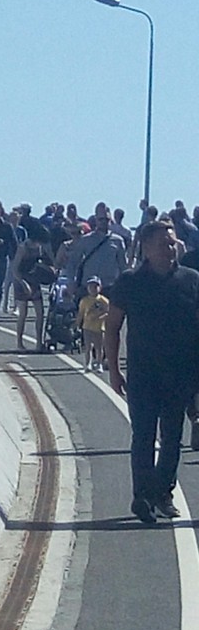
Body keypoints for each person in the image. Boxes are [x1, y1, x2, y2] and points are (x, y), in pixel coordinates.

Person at [105, 221, 199, 525]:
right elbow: (113, 326)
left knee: (173, 438)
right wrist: (114, 369)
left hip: (182, 374)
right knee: (143, 436)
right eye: (163, 243)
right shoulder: (130, 282)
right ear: (145, 247)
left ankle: (163, 494)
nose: (170, 248)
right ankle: (142, 496)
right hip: (143, 375)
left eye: (172, 243)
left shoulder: (191, 280)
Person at [12, 231, 52, 351]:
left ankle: (39, 342)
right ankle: (19, 342)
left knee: (40, 312)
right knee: (23, 313)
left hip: (34, 279)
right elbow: (14, 269)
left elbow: (45, 261)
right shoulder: (23, 248)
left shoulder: (39, 248)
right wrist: (23, 283)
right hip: (21, 280)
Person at [77, 276, 110, 371]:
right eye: (90, 286)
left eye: (95, 287)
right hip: (87, 327)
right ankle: (88, 364)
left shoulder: (104, 301)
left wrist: (101, 317)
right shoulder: (84, 300)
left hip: (99, 327)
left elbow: (108, 312)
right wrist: (77, 324)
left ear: (100, 288)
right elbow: (81, 313)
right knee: (88, 346)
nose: (92, 289)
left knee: (99, 347)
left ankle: (99, 363)